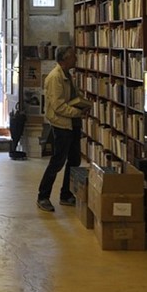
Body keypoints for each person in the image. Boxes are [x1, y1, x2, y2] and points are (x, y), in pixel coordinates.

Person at [36, 45, 90, 212]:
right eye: (73, 56)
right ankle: (43, 196)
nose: (76, 59)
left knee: (74, 160)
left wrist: (82, 104)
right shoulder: (55, 77)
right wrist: (78, 112)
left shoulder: (67, 74)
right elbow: (58, 106)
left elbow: (71, 97)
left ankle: (66, 194)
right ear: (65, 59)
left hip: (71, 124)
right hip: (62, 124)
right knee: (57, 162)